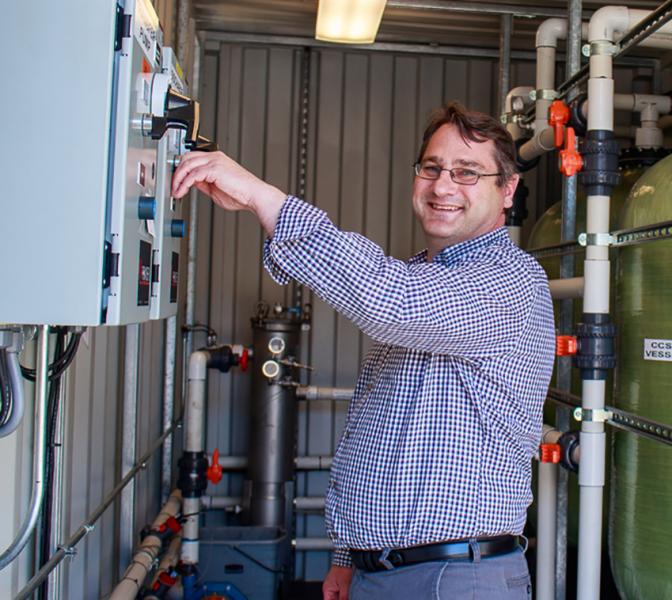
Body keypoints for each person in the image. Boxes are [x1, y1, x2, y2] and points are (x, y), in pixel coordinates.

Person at [171, 102, 555, 599]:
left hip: (455, 579)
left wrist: (262, 199)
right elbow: (387, 434)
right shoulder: (426, 276)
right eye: (432, 169)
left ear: (507, 190)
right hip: (386, 571)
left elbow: (391, 301)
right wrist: (350, 557)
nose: (442, 187)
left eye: (467, 173)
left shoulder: (508, 282)